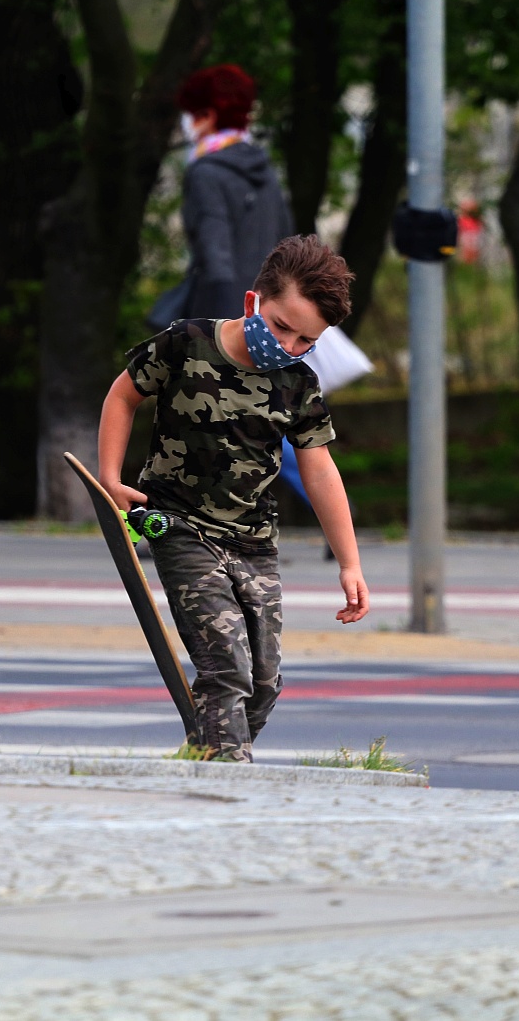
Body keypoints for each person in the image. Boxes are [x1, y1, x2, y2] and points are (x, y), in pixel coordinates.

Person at [98, 235, 370, 762]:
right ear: (253, 303)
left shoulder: (297, 383)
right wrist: (111, 478)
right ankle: (228, 782)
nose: (289, 347)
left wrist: (350, 561)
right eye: (281, 328)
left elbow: (319, 471)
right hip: (178, 524)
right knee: (227, 668)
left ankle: (204, 759)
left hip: (253, 540)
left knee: (264, 683)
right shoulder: (186, 343)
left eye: (305, 340)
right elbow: (123, 394)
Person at [161, 64, 292, 324]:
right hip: (270, 316)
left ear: (208, 116)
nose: (185, 124)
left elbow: (214, 254)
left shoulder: (205, 172)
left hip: (224, 318)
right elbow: (289, 242)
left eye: (189, 115)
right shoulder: (265, 169)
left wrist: (217, 333)